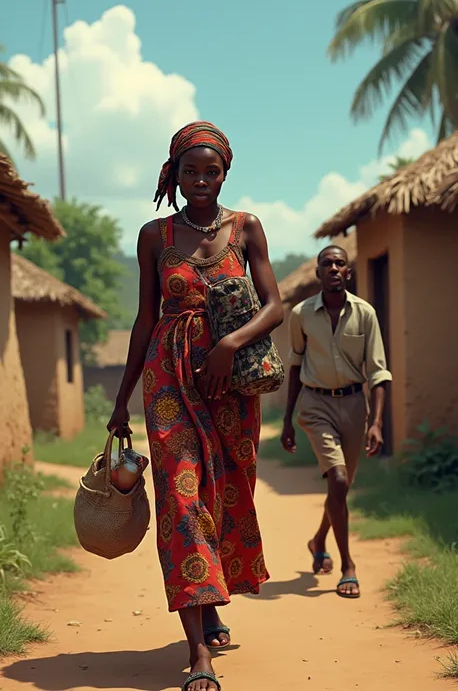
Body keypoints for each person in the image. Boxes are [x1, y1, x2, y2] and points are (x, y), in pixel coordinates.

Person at [107, 121, 283, 691]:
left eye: (211, 171)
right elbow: (144, 319)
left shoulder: (247, 228)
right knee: (182, 498)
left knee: (224, 493)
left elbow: (275, 306)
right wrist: (121, 400)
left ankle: (210, 605)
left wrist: (230, 344)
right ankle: (197, 653)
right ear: (174, 174)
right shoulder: (155, 235)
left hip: (231, 387)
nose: (200, 180)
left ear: (225, 173)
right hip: (168, 383)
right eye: (190, 171)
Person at [281, 244, 392, 600]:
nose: (333, 268)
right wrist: (287, 420)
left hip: (354, 404)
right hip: (315, 405)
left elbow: (378, 373)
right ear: (318, 273)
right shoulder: (301, 314)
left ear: (348, 272)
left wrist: (376, 423)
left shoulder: (365, 314)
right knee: (339, 479)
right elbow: (296, 365)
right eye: (326, 263)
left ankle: (318, 540)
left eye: (339, 264)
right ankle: (348, 566)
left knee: (341, 489)